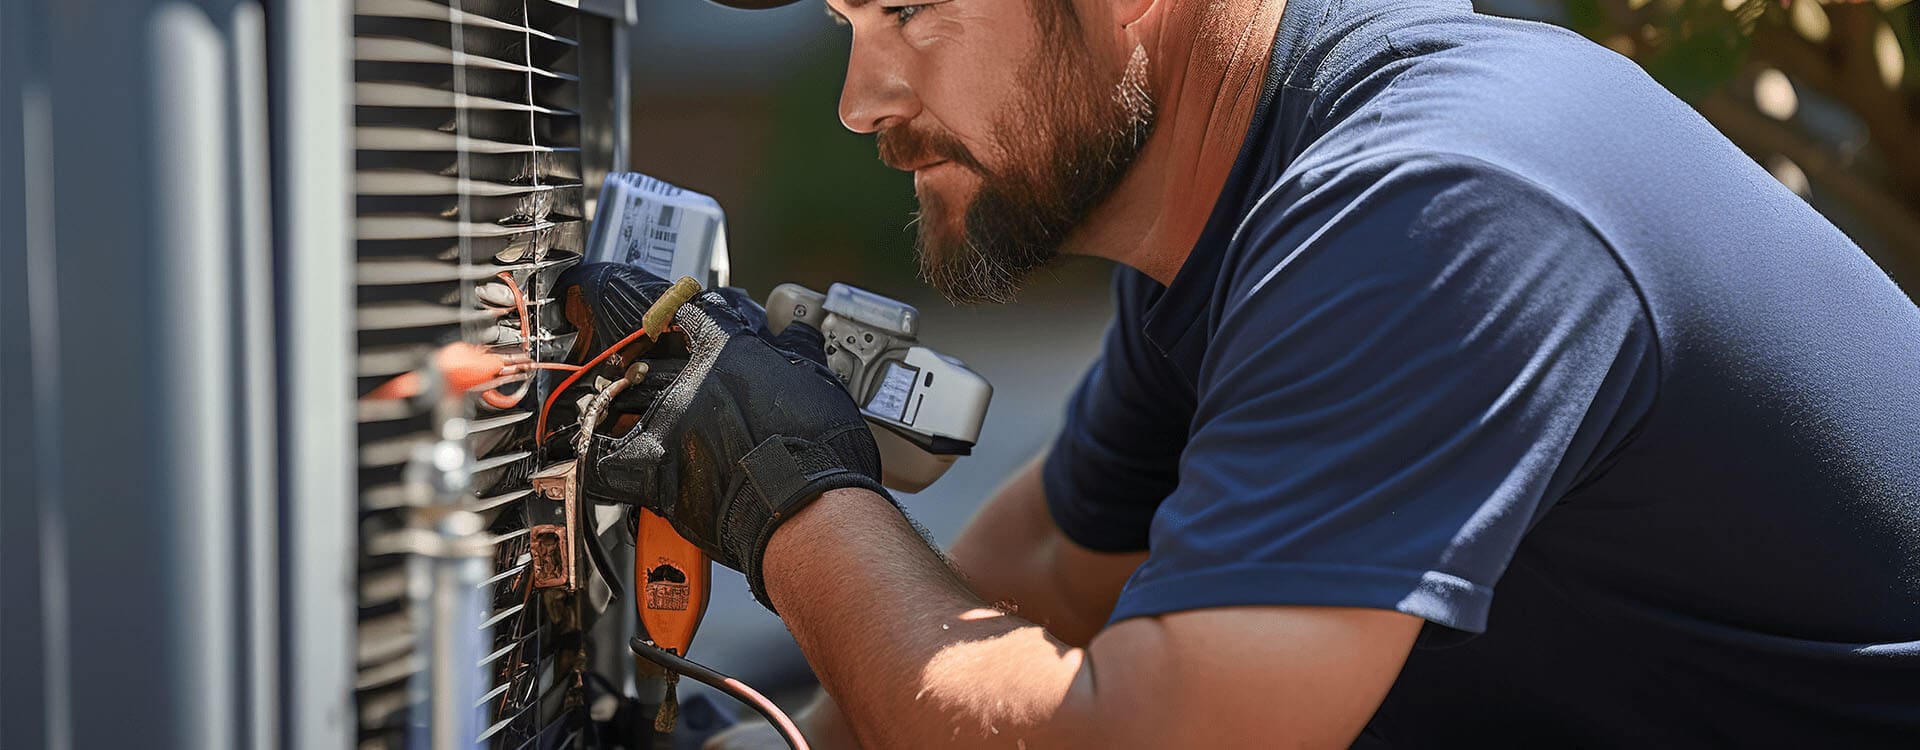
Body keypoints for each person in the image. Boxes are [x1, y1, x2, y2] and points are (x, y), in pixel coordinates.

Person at [578, 0, 1920, 745]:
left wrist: (798, 498)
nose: (860, 100)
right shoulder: (1239, 211)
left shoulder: (1430, 204)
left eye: (912, 13)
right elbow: (1038, 582)